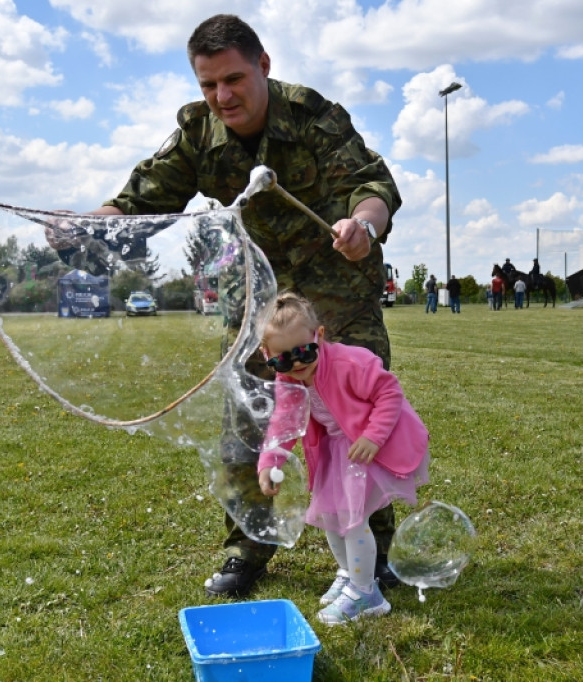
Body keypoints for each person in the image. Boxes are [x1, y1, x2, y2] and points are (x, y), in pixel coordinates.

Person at [87, 14, 403, 598]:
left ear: (263, 65)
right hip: (262, 302)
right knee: (247, 425)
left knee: (355, 422)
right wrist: (93, 222)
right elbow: (142, 199)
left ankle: (375, 553)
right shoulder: (197, 132)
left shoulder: (313, 116)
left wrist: (363, 225)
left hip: (338, 293)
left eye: (233, 79)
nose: (222, 96)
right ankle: (246, 549)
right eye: (208, 85)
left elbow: (373, 185)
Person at [257, 294, 429, 624]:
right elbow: (284, 422)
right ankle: (351, 575)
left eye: (304, 352)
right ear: (268, 356)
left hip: (371, 444)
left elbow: (389, 392)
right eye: (282, 360)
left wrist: (372, 437)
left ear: (318, 336)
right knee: (330, 517)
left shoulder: (350, 362)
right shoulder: (289, 380)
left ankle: (367, 595)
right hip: (338, 449)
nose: (295, 364)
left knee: (352, 520)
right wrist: (269, 462)